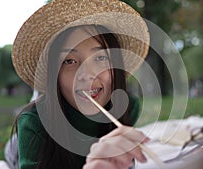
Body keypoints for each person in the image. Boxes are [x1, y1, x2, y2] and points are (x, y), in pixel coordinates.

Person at [11, 0, 150, 168]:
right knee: (12, 152)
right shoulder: (33, 122)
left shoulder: (130, 107)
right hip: (20, 151)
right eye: (69, 61)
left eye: (100, 58)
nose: (87, 75)